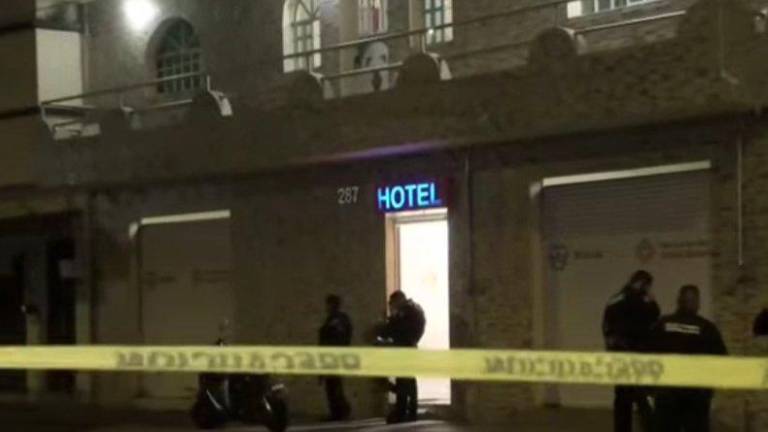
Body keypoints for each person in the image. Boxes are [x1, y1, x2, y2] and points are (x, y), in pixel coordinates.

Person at [651, 285, 727, 432]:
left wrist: (651, 388)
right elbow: (721, 359)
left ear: (679, 301)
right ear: (697, 303)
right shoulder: (706, 328)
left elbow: (648, 354)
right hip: (696, 393)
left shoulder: (663, 324)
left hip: (667, 392)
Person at [602, 270, 660, 432]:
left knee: (623, 400)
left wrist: (612, 351)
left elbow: (606, 328)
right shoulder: (643, 300)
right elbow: (655, 318)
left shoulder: (614, 299)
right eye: (648, 286)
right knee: (644, 401)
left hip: (621, 357)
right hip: (640, 356)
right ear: (643, 284)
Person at [380, 290, 426, 424]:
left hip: (404, 348)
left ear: (399, 300)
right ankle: (410, 413)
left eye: (392, 303)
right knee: (409, 381)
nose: (392, 306)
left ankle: (401, 413)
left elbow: (395, 328)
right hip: (409, 347)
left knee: (403, 381)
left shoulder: (406, 311)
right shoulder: (415, 308)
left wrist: (389, 319)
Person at [318, 294, 353, 421]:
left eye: (328, 304)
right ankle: (339, 411)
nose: (326, 307)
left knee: (334, 385)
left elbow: (338, 338)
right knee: (332, 385)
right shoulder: (334, 319)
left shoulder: (338, 319)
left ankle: (339, 412)